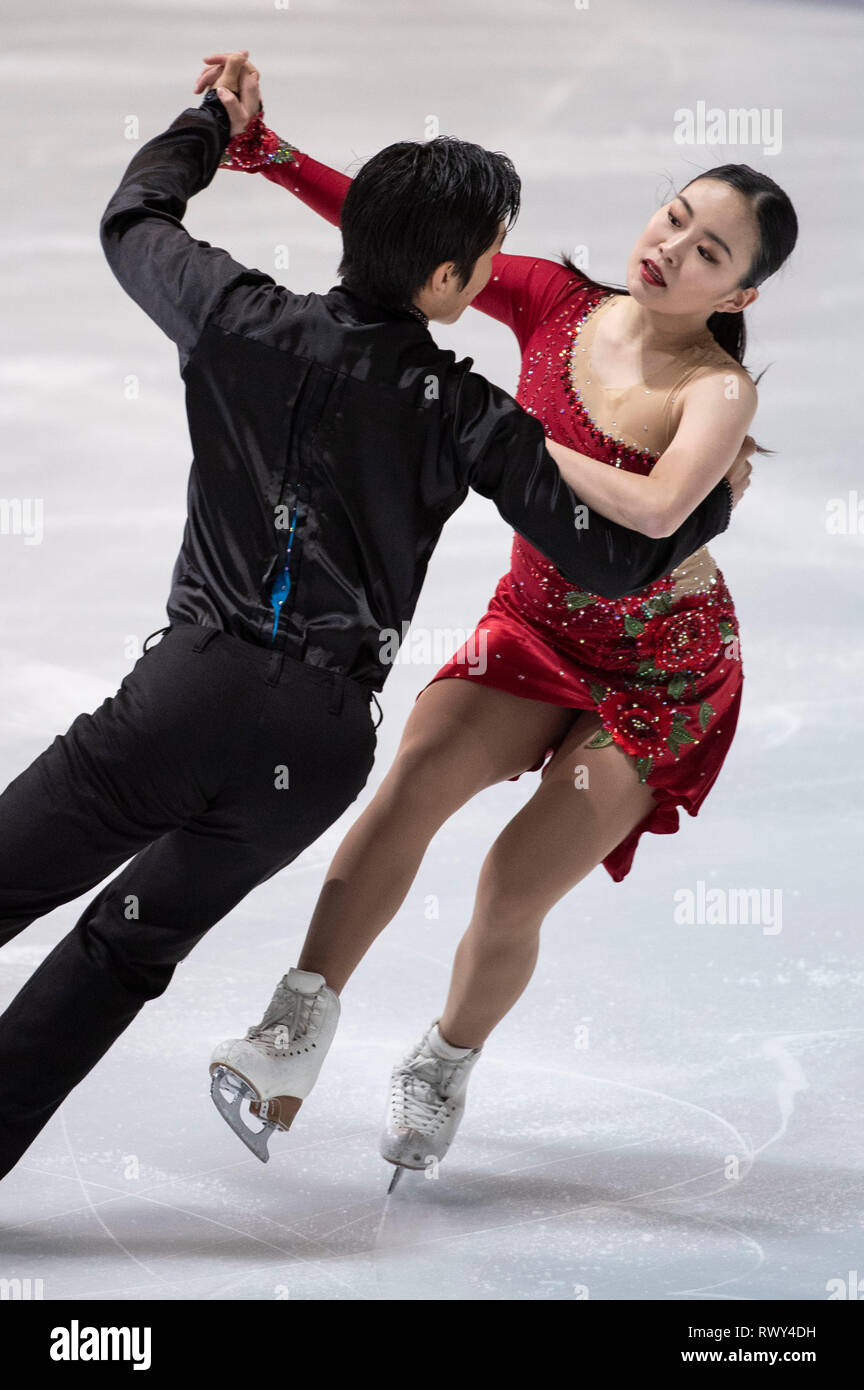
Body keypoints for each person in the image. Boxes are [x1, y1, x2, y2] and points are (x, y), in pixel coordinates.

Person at [0, 56, 741, 1183]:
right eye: (486, 255)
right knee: (124, 944)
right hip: (312, 748)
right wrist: (711, 504)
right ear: (448, 280)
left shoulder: (229, 310)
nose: (497, 272)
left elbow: (132, 215)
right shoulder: (470, 414)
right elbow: (609, 560)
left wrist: (209, 126)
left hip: (181, 703)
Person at [193, 55, 778, 1177]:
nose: (669, 247)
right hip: (537, 627)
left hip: (656, 671)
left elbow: (657, 507)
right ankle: (292, 1026)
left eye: (708, 251)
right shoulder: (557, 302)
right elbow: (415, 248)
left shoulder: (715, 391)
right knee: (411, 779)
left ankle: (444, 1060)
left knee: (511, 884)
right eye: (671, 217)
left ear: (736, 295)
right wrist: (265, 155)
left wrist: (501, 434)